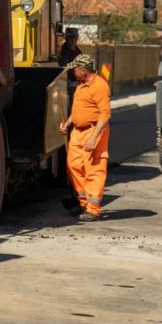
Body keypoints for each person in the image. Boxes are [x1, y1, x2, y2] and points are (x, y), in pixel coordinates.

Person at [59, 53, 111, 222]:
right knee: (73, 165)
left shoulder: (100, 86)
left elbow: (104, 115)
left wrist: (94, 137)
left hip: (93, 131)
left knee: (93, 170)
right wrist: (68, 122)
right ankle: (83, 203)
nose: (74, 72)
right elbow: (79, 110)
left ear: (83, 70)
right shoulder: (82, 86)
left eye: (75, 69)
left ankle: (93, 209)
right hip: (78, 131)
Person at [59, 28, 82, 106]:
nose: (73, 40)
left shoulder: (78, 51)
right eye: (70, 37)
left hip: (78, 81)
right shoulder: (64, 51)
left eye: (75, 37)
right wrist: (67, 79)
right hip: (69, 82)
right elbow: (64, 67)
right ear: (66, 38)